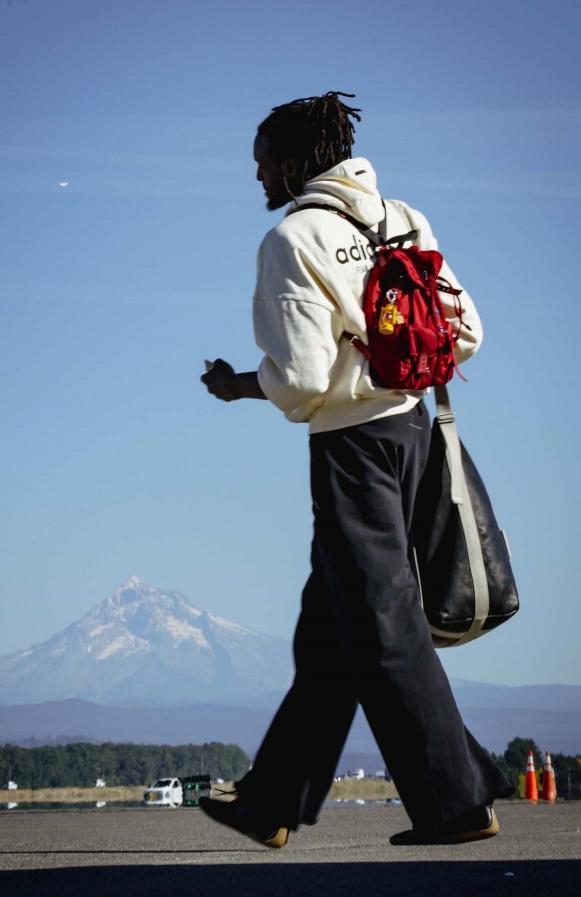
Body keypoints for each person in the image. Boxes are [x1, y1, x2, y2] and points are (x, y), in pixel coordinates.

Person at [199, 91, 513, 848]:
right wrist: (386, 367)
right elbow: (465, 330)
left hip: (354, 451)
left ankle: (459, 803)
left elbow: (305, 380)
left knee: (380, 627)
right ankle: (271, 799)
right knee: (333, 633)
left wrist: (244, 383)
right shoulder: (403, 217)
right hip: (418, 431)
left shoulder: (292, 239)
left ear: (298, 162)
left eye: (264, 165)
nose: (259, 179)